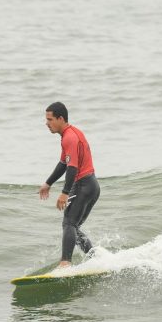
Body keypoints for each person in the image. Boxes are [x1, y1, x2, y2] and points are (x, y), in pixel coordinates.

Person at [39, 102, 100, 269]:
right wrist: (48, 183)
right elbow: (63, 163)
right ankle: (94, 258)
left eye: (50, 119)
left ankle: (65, 263)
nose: (47, 123)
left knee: (69, 224)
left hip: (83, 185)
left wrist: (65, 193)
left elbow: (72, 167)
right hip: (91, 185)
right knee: (74, 227)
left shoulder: (69, 138)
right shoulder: (70, 134)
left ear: (60, 118)